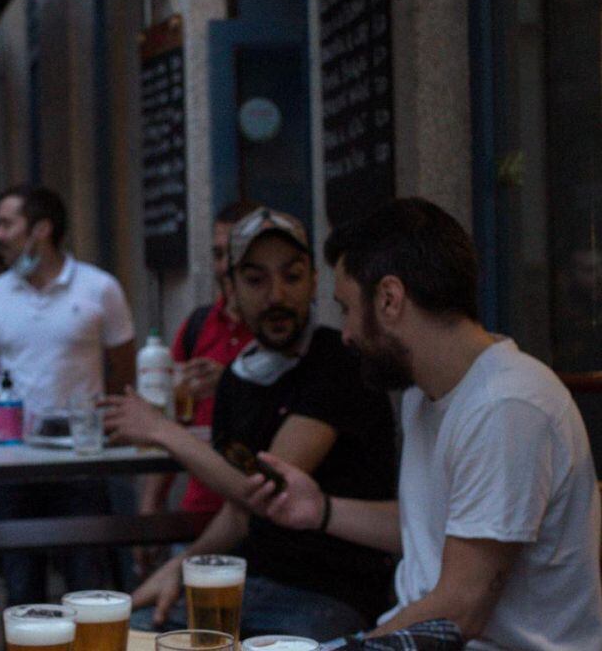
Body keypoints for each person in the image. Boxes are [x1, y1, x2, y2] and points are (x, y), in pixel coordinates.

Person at [237, 198, 602, 648]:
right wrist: (320, 511)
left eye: (347, 308)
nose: (345, 333)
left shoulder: (507, 405)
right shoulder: (423, 394)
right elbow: (436, 527)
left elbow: (458, 609)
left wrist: (353, 647)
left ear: (389, 299)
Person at [105, 207, 397, 640]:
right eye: (256, 280)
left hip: (328, 594)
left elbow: (266, 489)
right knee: (131, 633)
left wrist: (162, 431)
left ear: (315, 282)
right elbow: (240, 514)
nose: (277, 295)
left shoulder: (337, 360)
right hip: (244, 584)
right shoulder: (239, 377)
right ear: (232, 291)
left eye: (292, 276)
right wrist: (182, 566)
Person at [0, 185, 137, 602]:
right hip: (14, 464)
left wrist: (95, 420)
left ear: (41, 229)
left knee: (88, 587)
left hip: (80, 461)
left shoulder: (100, 288)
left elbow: (123, 367)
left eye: (7, 224)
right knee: (22, 588)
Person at [138, 202, 256, 566]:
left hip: (257, 516)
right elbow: (173, 421)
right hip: (198, 510)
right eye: (219, 254)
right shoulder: (198, 326)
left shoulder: (280, 335)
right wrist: (151, 505)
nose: (225, 267)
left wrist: (231, 384)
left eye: (235, 255)